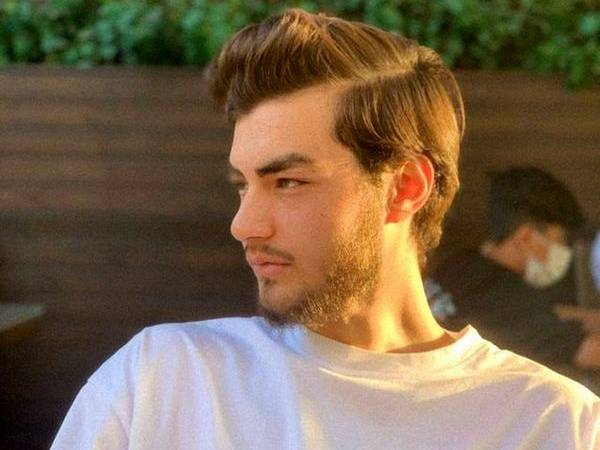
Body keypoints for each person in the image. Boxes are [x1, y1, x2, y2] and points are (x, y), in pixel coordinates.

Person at [51, 9, 599, 449]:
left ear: (405, 187)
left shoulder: (555, 424)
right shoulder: (163, 381)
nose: (243, 225)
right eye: (243, 184)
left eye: (288, 182)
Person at [427, 167, 600, 371]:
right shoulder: (508, 302)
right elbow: (590, 350)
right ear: (526, 237)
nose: (564, 252)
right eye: (560, 241)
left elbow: (548, 314)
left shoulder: (457, 265)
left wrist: (591, 317)